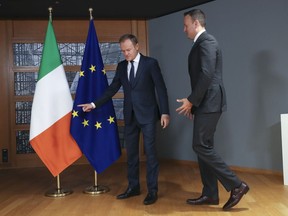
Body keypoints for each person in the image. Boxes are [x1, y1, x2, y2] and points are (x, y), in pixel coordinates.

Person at [79, 34, 170, 205]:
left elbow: (161, 89)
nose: (126, 54)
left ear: (137, 46)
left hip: (148, 115)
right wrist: (93, 104)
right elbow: (112, 89)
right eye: (123, 51)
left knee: (150, 155)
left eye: (128, 50)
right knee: (132, 155)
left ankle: (152, 191)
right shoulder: (121, 66)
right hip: (130, 116)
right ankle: (133, 187)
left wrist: (165, 112)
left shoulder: (151, 64)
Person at [176, 9, 249, 211]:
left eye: (186, 25)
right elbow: (202, 76)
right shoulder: (201, 43)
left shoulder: (207, 42)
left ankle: (236, 185)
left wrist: (192, 101)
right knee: (204, 146)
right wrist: (193, 102)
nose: (184, 29)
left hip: (210, 102)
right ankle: (210, 193)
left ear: (196, 24)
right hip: (205, 102)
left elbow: (207, 75)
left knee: (200, 145)